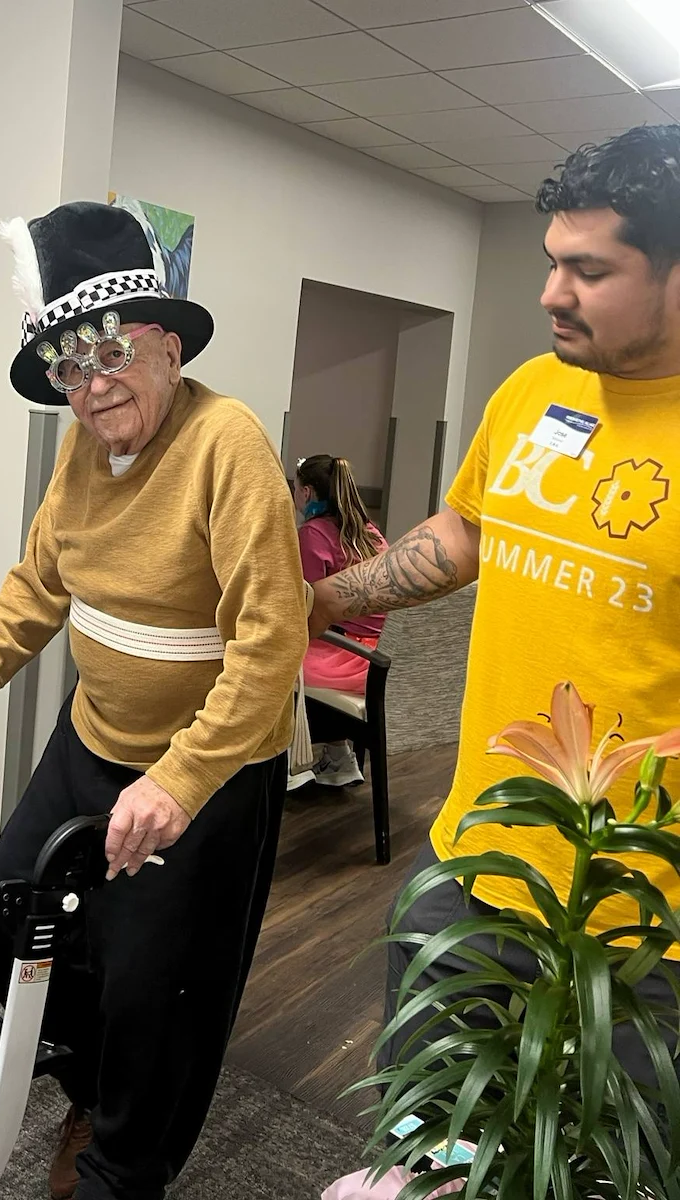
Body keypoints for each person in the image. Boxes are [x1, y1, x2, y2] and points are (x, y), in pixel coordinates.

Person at [0, 201, 307, 1200]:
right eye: (68, 371)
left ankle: (126, 1168)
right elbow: (40, 585)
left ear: (168, 347)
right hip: (94, 737)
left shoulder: (229, 443)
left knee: (157, 987)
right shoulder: (84, 451)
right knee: (11, 916)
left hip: (211, 765)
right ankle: (88, 1088)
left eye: (110, 357)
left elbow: (271, 644)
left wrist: (180, 779)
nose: (92, 388)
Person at [308, 124, 680, 1079]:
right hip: (471, 855)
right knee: (424, 1127)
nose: (551, 293)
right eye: (552, 262)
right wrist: (316, 601)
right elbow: (466, 533)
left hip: (642, 925)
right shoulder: (533, 388)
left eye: (588, 271)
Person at [293, 454, 389, 787]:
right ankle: (339, 756)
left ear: (306, 493)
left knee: (268, 658)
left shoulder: (314, 535)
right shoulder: (372, 534)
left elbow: (300, 605)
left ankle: (290, 764)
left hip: (339, 659)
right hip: (372, 661)